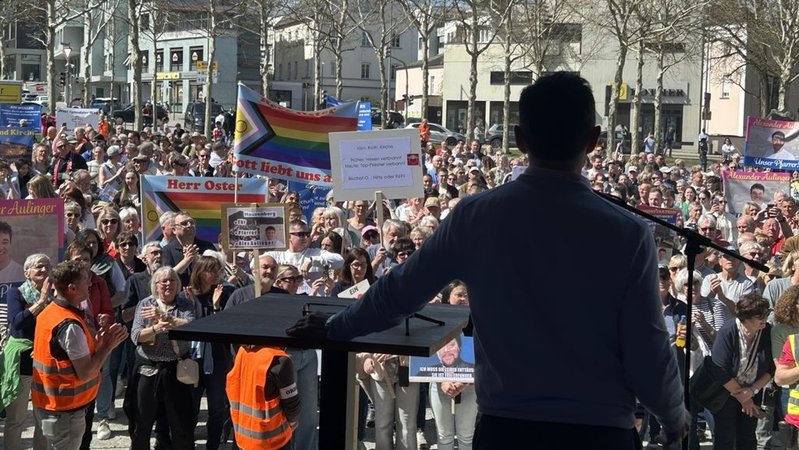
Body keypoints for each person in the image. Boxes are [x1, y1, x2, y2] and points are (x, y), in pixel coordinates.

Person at [288, 72, 687, 448]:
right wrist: (673, 417)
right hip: (599, 432)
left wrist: (336, 327)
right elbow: (647, 346)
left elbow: (400, 292)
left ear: (520, 139)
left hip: (507, 430)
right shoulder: (626, 233)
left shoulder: (477, 216)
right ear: (594, 140)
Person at [31, 260, 128, 450]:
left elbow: (62, 355)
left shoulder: (50, 312)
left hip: (48, 405)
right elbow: (86, 372)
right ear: (72, 289)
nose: (90, 283)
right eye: (85, 280)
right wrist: (107, 347)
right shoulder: (69, 325)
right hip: (65, 413)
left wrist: (97, 344)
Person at [127, 266, 195, 450]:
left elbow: (191, 326)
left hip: (177, 370)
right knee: (142, 421)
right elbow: (136, 336)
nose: (168, 284)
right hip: (148, 369)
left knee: (181, 423)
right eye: (163, 281)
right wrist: (156, 328)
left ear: (178, 284)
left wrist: (166, 318)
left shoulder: (185, 304)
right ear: (155, 285)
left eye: (172, 280)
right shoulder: (145, 304)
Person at [708, 293, 774, 450]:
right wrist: (744, 398)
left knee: (748, 437)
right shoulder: (728, 331)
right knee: (725, 437)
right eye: (760, 315)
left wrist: (751, 391)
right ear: (745, 317)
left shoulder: (767, 331)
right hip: (726, 392)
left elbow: (771, 368)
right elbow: (719, 370)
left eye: (767, 313)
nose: (765, 319)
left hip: (753, 390)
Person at [5, 254, 51, 450]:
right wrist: (41, 302)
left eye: (47, 267)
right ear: (27, 273)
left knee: (44, 417)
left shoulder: (56, 295)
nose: (44, 270)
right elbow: (16, 322)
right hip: (22, 362)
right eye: (39, 266)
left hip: (45, 362)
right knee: (16, 418)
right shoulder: (16, 293)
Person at [226, 344, 299, 450]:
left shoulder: (242, 352)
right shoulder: (279, 360)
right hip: (274, 443)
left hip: (244, 441)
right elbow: (292, 406)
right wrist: (293, 422)